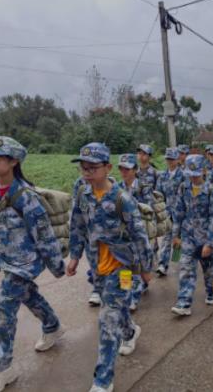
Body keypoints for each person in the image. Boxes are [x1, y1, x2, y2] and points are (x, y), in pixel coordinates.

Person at [0, 137, 66, 392]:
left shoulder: (26, 196)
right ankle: (53, 326)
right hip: (6, 261)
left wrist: (56, 264)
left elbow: (44, 233)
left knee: (3, 308)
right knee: (29, 295)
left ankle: (2, 368)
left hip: (26, 263)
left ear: (14, 162)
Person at [67, 143, 154, 392]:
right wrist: (74, 256)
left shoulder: (121, 199)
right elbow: (77, 226)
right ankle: (130, 332)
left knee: (107, 318)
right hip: (98, 266)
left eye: (92, 168)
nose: (87, 173)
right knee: (117, 309)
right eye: (83, 168)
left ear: (107, 168)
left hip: (123, 267)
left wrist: (146, 267)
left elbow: (139, 235)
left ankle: (102, 380)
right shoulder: (82, 195)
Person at [171, 154, 213, 316]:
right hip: (188, 236)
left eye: (196, 174)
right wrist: (176, 235)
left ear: (204, 171)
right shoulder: (183, 188)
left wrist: (210, 243)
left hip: (205, 237)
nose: (193, 178)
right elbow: (178, 212)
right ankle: (184, 303)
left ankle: (211, 292)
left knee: (209, 270)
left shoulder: (211, 191)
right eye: (190, 174)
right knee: (186, 268)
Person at [118, 153, 154, 311]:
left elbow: (148, 209)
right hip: (123, 234)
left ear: (135, 170)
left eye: (127, 169)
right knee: (125, 266)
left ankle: (134, 295)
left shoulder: (143, 187)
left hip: (139, 232)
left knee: (138, 266)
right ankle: (128, 295)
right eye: (121, 169)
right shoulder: (117, 188)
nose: (123, 172)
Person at [155, 148, 185, 276]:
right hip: (167, 212)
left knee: (178, 238)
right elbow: (158, 194)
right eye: (168, 159)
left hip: (181, 213)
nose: (170, 161)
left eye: (172, 159)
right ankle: (163, 265)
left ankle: (177, 260)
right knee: (166, 238)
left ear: (177, 160)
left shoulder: (183, 175)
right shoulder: (162, 176)